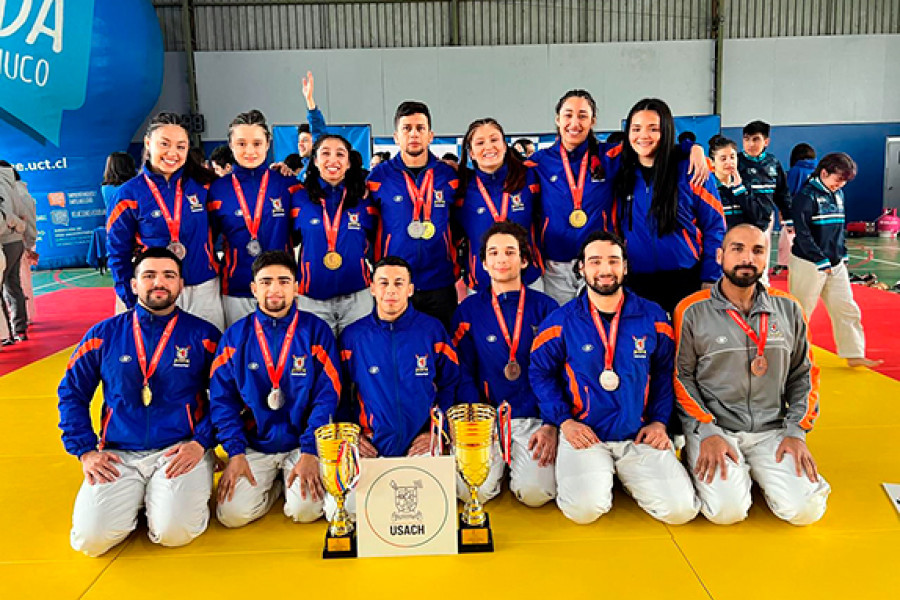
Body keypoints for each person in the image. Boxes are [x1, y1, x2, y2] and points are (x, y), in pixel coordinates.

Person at [57, 247, 221, 556]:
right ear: (134, 285)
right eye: (149, 275)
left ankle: (159, 497)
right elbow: (71, 392)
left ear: (181, 284)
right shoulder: (102, 335)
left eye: (168, 276)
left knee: (176, 532)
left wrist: (201, 442)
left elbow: (226, 398)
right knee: (90, 541)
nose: (159, 282)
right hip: (119, 454)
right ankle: (141, 497)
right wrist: (85, 451)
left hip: (180, 449)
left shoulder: (203, 336)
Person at [530, 231, 699, 525]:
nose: (605, 270)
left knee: (681, 511)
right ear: (581, 268)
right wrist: (564, 422)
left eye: (613, 261)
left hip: (639, 434)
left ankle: (622, 472)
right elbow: (540, 371)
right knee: (584, 510)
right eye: (595, 261)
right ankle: (602, 473)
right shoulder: (561, 320)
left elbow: (663, 373)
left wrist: (660, 422)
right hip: (585, 434)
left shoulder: (654, 316)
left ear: (625, 267)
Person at [674, 224, 830, 525]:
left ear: (767, 258)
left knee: (805, 512)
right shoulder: (691, 310)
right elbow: (681, 377)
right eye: (737, 249)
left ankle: (759, 473)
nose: (747, 258)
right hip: (716, 429)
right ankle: (735, 476)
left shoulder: (790, 309)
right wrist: (706, 430)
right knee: (725, 513)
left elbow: (804, 374)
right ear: (720, 255)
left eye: (757, 250)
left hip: (772, 430)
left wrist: (796, 430)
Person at [531, 90, 708, 305]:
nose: (574, 122)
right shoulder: (537, 162)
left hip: (601, 261)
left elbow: (652, 144)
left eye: (583, 115)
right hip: (556, 263)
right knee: (562, 327)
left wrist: (693, 148)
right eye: (568, 115)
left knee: (599, 327)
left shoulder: (611, 155)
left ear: (593, 121)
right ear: (558, 119)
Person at [210, 250, 340, 527]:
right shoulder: (236, 336)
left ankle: (287, 479)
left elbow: (326, 397)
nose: (275, 289)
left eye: (283, 281)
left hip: (300, 444)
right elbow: (222, 401)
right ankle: (275, 486)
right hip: (254, 445)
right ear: (254, 289)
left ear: (296, 287)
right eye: (266, 282)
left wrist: (310, 451)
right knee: (232, 516)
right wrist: (235, 453)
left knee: (305, 511)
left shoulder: (316, 331)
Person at [452, 222, 558, 506]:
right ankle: (498, 469)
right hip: (487, 419)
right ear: (483, 263)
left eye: (510, 252)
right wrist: (475, 415)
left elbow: (560, 371)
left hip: (533, 419)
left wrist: (551, 423)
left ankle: (520, 471)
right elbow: (462, 370)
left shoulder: (547, 308)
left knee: (535, 495)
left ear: (524, 260)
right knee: (473, 492)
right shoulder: (468, 311)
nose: (501, 259)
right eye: (493, 252)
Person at [106, 112, 225, 330]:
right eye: (164, 144)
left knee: (210, 355)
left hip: (203, 288)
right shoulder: (128, 194)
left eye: (181, 146)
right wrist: (131, 298)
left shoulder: (205, 186)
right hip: (155, 291)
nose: (173, 153)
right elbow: (117, 252)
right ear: (148, 143)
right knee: (158, 358)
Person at [611, 98, 725, 315]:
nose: (643, 136)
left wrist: (710, 277)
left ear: (666, 131)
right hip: (637, 281)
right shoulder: (620, 172)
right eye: (636, 129)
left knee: (686, 346)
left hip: (686, 278)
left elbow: (714, 226)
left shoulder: (691, 170)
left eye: (653, 129)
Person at [339, 256, 460, 459]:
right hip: (370, 445)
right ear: (373, 288)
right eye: (384, 283)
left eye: (399, 283)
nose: (391, 290)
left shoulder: (432, 330)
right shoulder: (353, 337)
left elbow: (451, 382)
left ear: (410, 289)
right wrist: (350, 432)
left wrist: (438, 429)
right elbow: (338, 391)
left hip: (423, 443)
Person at [366, 101, 460, 330]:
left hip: (440, 280)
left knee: (442, 347)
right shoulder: (378, 178)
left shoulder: (449, 176)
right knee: (398, 346)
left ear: (431, 135)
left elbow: (459, 223)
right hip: (394, 282)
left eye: (420, 128)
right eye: (407, 128)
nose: (414, 134)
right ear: (396, 137)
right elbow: (367, 226)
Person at [789, 153, 882, 368]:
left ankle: (854, 353)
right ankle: (792, 357)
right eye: (838, 179)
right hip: (808, 263)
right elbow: (802, 234)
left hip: (835, 263)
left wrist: (843, 253)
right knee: (801, 312)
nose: (840, 185)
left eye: (845, 182)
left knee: (847, 308)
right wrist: (819, 260)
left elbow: (839, 229)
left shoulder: (838, 195)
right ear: (824, 172)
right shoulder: (805, 196)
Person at [208, 110, 298, 327]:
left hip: (282, 288)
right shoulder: (217, 190)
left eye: (257, 143)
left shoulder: (289, 186)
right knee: (240, 352)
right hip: (237, 288)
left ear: (268, 144)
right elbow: (207, 239)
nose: (250, 151)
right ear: (230, 145)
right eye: (241, 143)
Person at [291, 134, 376, 336]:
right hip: (312, 298)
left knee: (357, 358)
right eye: (325, 153)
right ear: (315, 161)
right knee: (317, 359)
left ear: (348, 163)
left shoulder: (363, 197)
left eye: (340, 154)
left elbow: (375, 240)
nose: (333, 160)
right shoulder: (298, 197)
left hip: (358, 296)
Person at [454, 117, 543, 292]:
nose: (488, 147)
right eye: (480, 143)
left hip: (528, 281)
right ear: (471, 152)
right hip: (481, 284)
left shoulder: (530, 177)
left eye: (494, 140)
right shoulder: (461, 187)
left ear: (504, 145)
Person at [738, 120, 792, 283]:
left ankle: (761, 290)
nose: (750, 144)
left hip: (764, 220)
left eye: (756, 139)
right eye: (747, 139)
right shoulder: (736, 163)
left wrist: (788, 218)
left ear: (766, 141)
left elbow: (782, 193)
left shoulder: (773, 164)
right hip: (739, 219)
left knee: (761, 258)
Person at [709, 136, 766, 230]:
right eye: (723, 159)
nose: (729, 162)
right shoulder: (708, 187)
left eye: (732, 157)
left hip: (741, 240)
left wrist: (740, 190)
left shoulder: (745, 185)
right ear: (712, 162)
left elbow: (757, 218)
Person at [777, 143, 817, 274]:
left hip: (796, 209)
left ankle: (788, 263)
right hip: (814, 209)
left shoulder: (796, 170)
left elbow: (788, 192)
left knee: (790, 236)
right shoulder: (818, 170)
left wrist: (783, 211)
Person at [295, 71, 328, 179]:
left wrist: (309, 101)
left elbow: (317, 126)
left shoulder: (320, 168)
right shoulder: (302, 172)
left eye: (305, 140)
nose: (300, 145)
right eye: (299, 141)